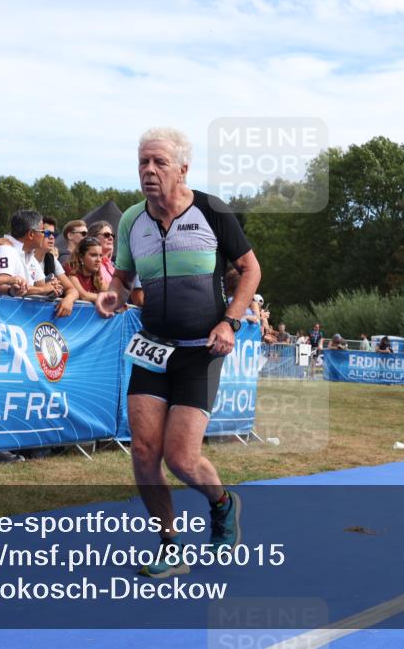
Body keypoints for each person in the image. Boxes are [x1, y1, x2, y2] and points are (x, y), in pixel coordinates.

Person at [95, 127, 260, 578]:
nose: (149, 171)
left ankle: (223, 503)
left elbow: (250, 269)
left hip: (200, 350)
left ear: (182, 168)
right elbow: (124, 278)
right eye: (143, 162)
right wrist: (113, 295)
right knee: (144, 453)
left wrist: (230, 320)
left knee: (180, 458)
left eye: (159, 162)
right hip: (152, 348)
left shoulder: (211, 211)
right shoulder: (131, 220)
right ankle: (170, 545)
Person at [0, 210, 64, 299]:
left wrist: (53, 288)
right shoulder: (5, 250)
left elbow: (42, 285)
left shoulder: (29, 255)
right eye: (44, 232)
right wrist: (43, 290)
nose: (46, 235)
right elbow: (2, 286)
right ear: (31, 234)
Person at [67, 235, 106, 302]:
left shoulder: (95, 274)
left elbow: (111, 292)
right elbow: (83, 296)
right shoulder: (70, 269)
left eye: (100, 255)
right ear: (81, 257)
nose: (99, 260)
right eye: (93, 255)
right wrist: (108, 298)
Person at [88, 219, 116, 289]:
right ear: (93, 238)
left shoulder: (110, 265)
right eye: (106, 235)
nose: (111, 238)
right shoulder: (91, 263)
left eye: (112, 235)